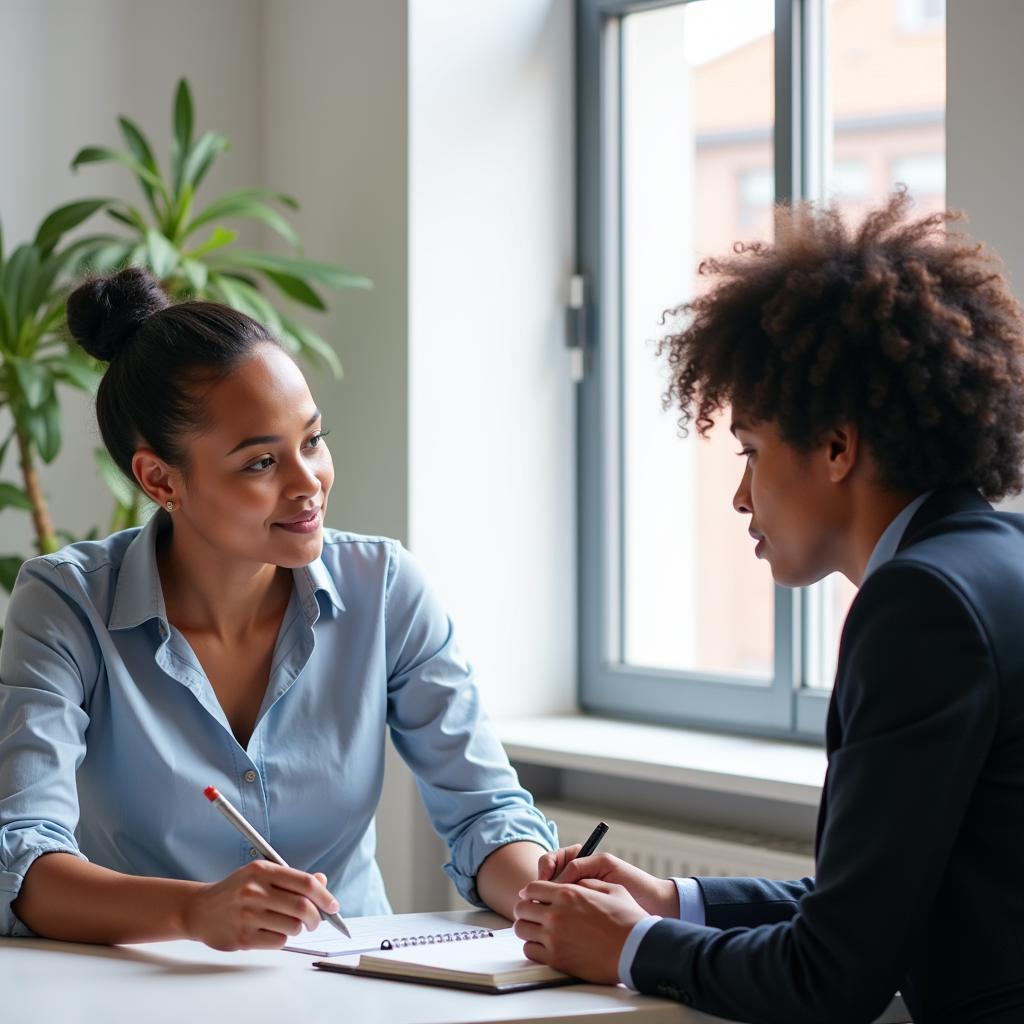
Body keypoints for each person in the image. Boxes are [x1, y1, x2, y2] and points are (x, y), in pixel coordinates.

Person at [513, 192, 1024, 1024]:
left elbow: (831, 978)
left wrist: (629, 948)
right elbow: (867, 898)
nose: (742, 496)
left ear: (836, 446)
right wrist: (673, 901)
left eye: (750, 451)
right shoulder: (999, 557)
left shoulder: (919, 604)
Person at [0, 267, 556, 949]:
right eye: (261, 463)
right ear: (159, 478)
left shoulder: (384, 587)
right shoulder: (67, 603)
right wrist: (193, 912)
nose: (308, 484)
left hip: (354, 985)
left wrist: (547, 895)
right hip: (143, 989)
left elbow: (488, 817)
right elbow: (22, 861)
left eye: (313, 441)